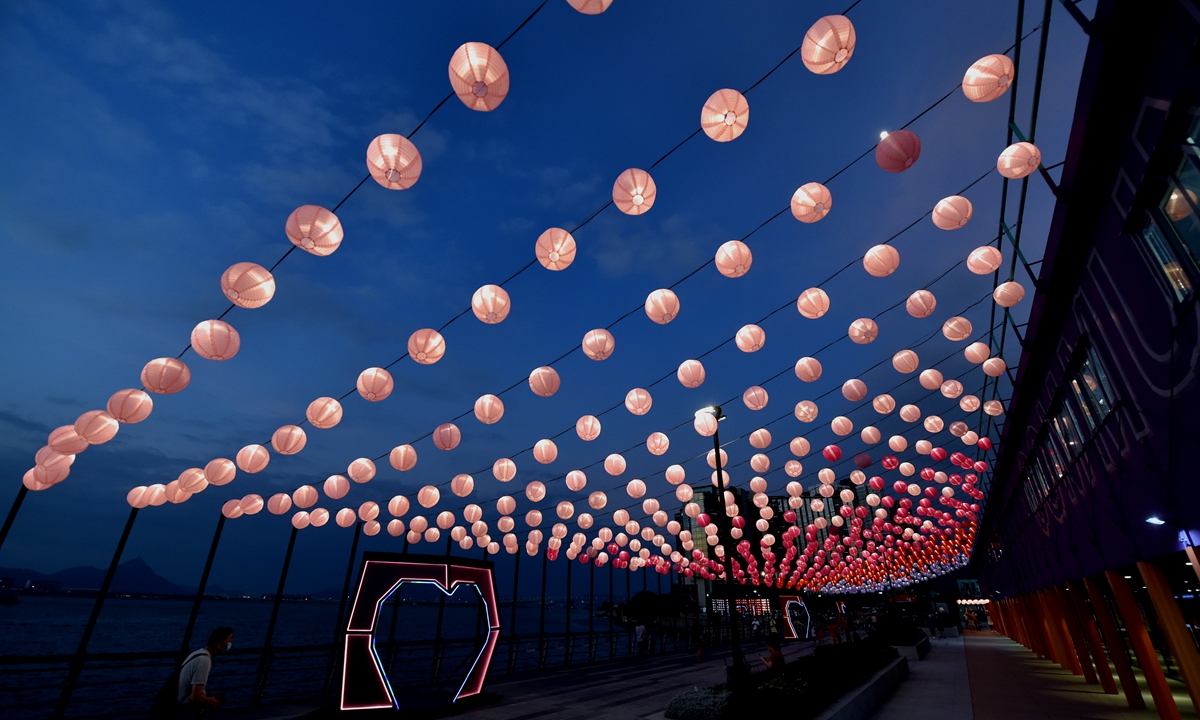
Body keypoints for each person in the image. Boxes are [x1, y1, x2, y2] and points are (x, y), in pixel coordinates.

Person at [178, 626, 233, 714]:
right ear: (219, 643)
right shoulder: (204, 661)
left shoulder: (197, 653)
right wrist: (212, 700)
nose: (230, 644)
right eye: (229, 641)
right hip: (186, 708)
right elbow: (195, 697)